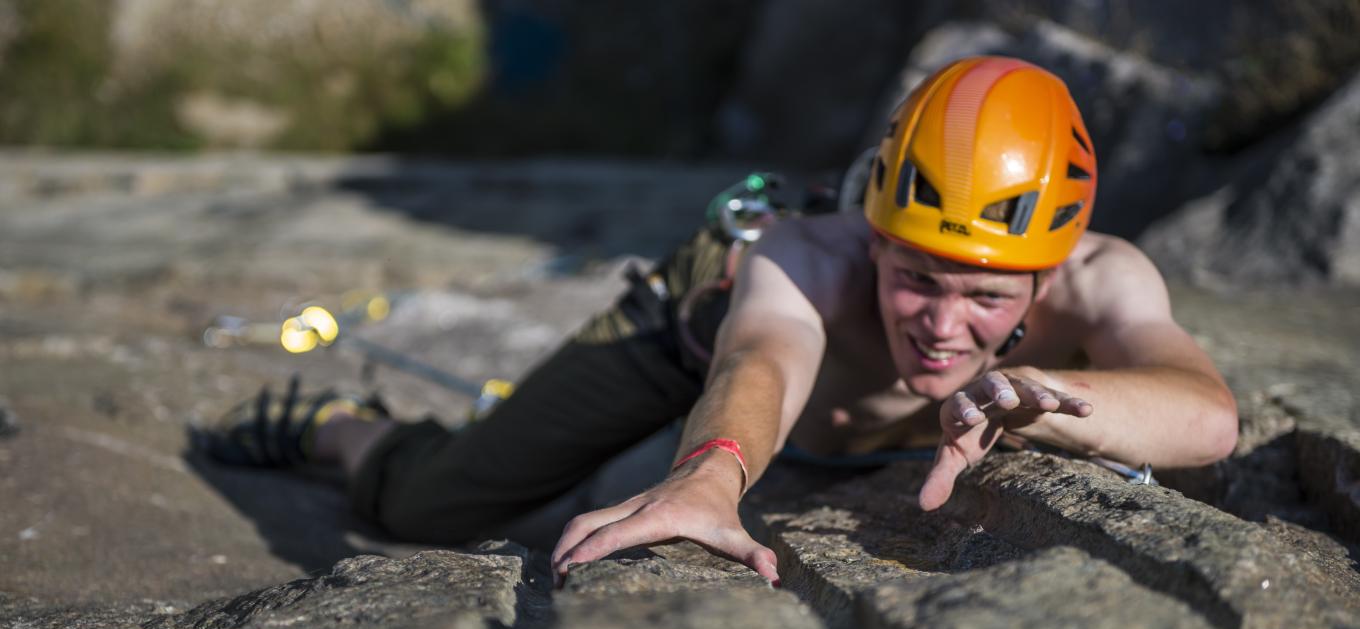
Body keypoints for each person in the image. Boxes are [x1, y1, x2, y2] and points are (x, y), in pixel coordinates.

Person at [200, 57, 1238, 588]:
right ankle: (342, 423)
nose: (940, 324)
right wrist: (709, 477)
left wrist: (1060, 401)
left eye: (987, 297)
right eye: (917, 277)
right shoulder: (804, 254)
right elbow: (761, 358)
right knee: (428, 508)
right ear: (872, 238)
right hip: (688, 331)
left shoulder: (1101, 279)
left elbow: (1205, 417)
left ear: (1046, 271)